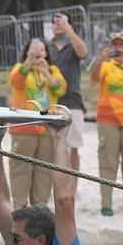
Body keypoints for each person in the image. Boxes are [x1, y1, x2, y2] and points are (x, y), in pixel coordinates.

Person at [88, 30, 123, 216]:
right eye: (115, 44)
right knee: (107, 161)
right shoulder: (106, 65)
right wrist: (100, 59)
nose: (118, 47)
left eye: (122, 44)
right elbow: (94, 77)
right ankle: (106, 203)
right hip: (108, 118)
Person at [7, 39, 66, 208]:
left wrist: (46, 73)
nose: (38, 52)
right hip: (24, 128)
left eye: (41, 49)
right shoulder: (20, 68)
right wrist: (29, 62)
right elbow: (16, 81)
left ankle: (40, 207)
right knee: (21, 170)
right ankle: (20, 206)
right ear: (27, 53)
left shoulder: (53, 70)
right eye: (33, 50)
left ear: (46, 54)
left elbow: (60, 88)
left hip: (47, 128)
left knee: (44, 170)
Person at [47, 11, 89, 170]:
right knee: (52, 148)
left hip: (73, 101)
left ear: (69, 24)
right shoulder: (47, 46)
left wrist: (69, 30)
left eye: (61, 20)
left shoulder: (74, 44)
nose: (57, 23)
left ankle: (73, 187)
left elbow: (83, 53)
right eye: (54, 20)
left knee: (73, 148)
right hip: (50, 103)